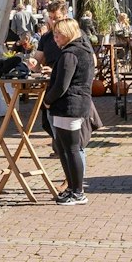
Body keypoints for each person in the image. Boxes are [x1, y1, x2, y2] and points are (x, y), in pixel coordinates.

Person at [46, 17, 96, 205]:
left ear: (67, 34)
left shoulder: (71, 53)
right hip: (73, 104)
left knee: (72, 149)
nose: (55, 38)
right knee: (64, 148)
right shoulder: (82, 50)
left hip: (70, 105)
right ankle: (72, 189)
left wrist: (48, 100)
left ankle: (78, 191)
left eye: (58, 35)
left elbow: (62, 84)